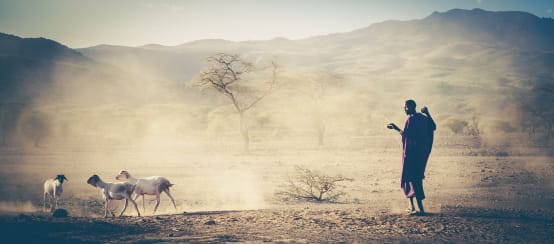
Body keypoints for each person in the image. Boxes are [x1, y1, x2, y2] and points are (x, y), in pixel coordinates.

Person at [387, 99, 435, 215]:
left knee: (410, 178)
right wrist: (427, 113)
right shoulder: (423, 118)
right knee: (415, 179)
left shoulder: (411, 119)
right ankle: (414, 208)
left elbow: (407, 135)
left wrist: (395, 128)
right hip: (420, 154)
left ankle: (417, 209)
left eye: (404, 107)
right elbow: (433, 127)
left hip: (411, 154)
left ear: (408, 107)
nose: (403, 109)